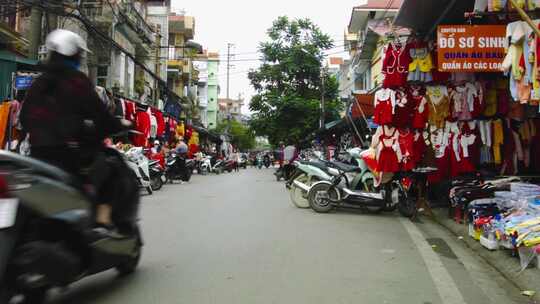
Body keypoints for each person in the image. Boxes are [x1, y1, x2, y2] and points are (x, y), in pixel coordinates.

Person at [20, 29, 128, 229]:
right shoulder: (77, 82)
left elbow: (24, 118)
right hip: (70, 155)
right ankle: (103, 221)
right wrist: (116, 125)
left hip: (37, 154)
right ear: (73, 54)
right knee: (112, 170)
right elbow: (101, 116)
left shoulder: (39, 83)